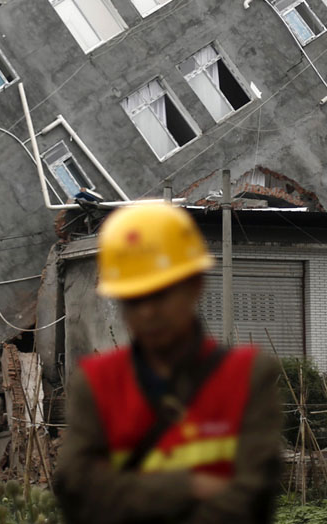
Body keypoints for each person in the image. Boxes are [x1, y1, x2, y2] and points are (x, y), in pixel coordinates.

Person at [54, 203, 282, 524]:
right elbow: (79, 494)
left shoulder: (246, 376)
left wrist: (122, 490)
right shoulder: (95, 383)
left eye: (160, 293)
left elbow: (250, 500)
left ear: (195, 286)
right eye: (133, 299)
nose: (147, 312)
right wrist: (189, 484)